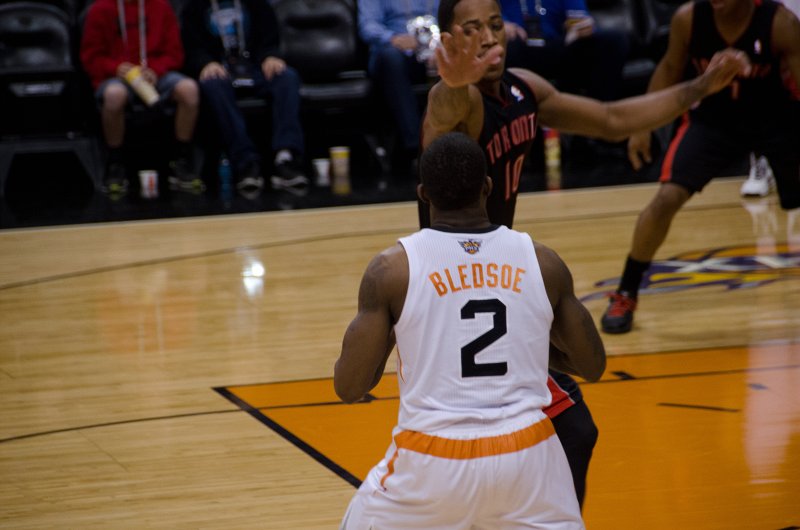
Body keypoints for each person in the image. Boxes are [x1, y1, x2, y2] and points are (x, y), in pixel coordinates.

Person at [417, 0, 748, 507]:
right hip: (453, 288)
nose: (488, 38)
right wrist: (451, 83)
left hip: (493, 287)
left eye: (496, 25)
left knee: (563, 428)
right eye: (471, 29)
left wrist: (699, 88)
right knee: (562, 428)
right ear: (449, 40)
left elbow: (613, 119)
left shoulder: (523, 89)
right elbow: (441, 118)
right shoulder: (461, 103)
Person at [335, 131, 606, 528]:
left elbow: (349, 386)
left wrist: (402, 331)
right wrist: (525, 341)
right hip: (528, 457)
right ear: (488, 187)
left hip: (432, 461)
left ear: (423, 194)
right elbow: (593, 364)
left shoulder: (392, 271)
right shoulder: (543, 262)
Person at [601, 0, 800, 334]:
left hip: (775, 122)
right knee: (665, 199)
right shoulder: (688, 19)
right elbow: (668, 68)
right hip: (712, 123)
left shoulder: (779, 22)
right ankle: (626, 291)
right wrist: (642, 127)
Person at [182, 0, 309, 197]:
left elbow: (269, 38)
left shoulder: (258, 4)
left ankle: (286, 156)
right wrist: (204, 63)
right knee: (211, 83)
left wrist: (271, 56)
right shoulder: (194, 7)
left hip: (254, 67)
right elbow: (191, 47)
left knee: (287, 76)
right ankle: (245, 162)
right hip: (220, 69)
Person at [80, 0, 201, 195]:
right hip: (116, 76)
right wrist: (114, 68)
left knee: (189, 89)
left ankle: (182, 158)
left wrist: (156, 69)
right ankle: (115, 161)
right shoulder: (100, 9)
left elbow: (175, 54)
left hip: (155, 73)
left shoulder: (161, 6)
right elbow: (90, 58)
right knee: (114, 95)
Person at [358, 0, 440, 177]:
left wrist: (442, 46)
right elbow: (367, 25)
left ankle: (457, 146)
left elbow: (454, 18)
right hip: (396, 50)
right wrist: (393, 38)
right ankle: (417, 147)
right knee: (390, 58)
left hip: (435, 50)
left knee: (460, 57)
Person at [499, 0, 629, 103]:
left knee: (613, 41)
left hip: (557, 45)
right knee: (506, 48)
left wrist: (583, 26)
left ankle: (597, 118)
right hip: (516, 46)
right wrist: (500, 24)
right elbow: (487, 13)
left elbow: (579, 16)